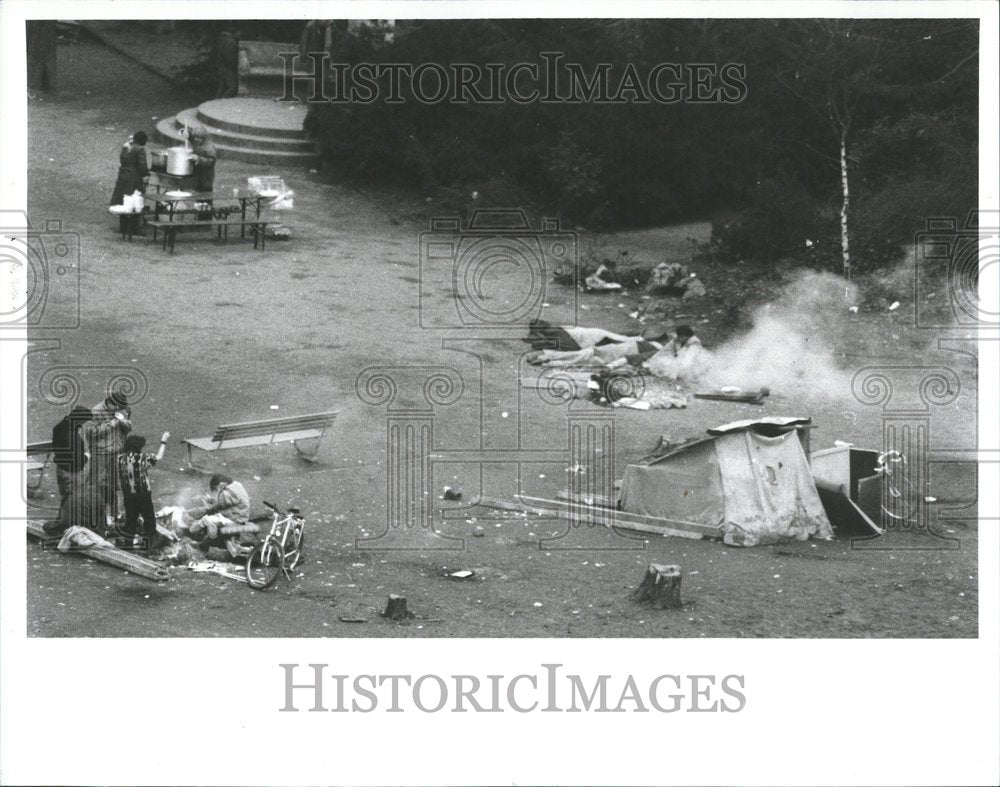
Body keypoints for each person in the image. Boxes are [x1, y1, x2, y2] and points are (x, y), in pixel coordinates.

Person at [85, 389, 132, 524]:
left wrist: (125, 423)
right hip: (100, 453)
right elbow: (90, 433)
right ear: (111, 403)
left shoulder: (122, 410)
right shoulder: (96, 412)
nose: (119, 409)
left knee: (113, 484)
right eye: (117, 407)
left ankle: (115, 513)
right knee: (95, 483)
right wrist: (112, 424)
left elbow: (128, 429)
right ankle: (92, 512)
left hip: (116, 452)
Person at [117, 431, 170, 546]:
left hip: (128, 496)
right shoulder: (143, 458)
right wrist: (163, 441)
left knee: (130, 521)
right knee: (149, 520)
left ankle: (128, 544)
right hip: (143, 495)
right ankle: (150, 544)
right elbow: (159, 457)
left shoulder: (120, 459)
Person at [189, 474, 258, 558]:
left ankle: (211, 542)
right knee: (221, 531)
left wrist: (209, 504)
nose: (217, 491)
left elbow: (218, 505)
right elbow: (227, 502)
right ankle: (233, 548)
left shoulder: (226, 492)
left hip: (235, 519)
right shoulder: (236, 485)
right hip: (239, 516)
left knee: (207, 520)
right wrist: (212, 500)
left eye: (216, 489)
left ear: (221, 484)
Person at [50, 406, 92, 505]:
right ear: (79, 421)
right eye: (83, 422)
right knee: (73, 501)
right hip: (71, 473)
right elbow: (77, 462)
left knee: (64, 499)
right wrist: (86, 456)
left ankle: (62, 519)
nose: (83, 424)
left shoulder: (59, 428)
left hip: (60, 468)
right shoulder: (74, 438)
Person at [643, 325, 710, 381]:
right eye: (680, 336)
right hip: (681, 363)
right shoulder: (676, 340)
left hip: (695, 367)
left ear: (688, 336)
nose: (681, 338)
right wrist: (652, 362)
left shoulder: (695, 343)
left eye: (683, 337)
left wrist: (675, 372)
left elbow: (687, 361)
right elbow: (665, 350)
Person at [187, 126, 217, 193]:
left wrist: (199, 159)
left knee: (205, 192)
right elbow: (191, 137)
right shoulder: (197, 140)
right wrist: (186, 133)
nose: (195, 139)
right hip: (198, 172)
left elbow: (212, 161)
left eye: (197, 138)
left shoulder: (209, 147)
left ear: (202, 138)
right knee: (198, 191)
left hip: (206, 175)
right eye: (195, 138)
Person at [215, 30, 240, 98]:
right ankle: (221, 104)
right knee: (233, 88)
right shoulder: (231, 42)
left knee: (221, 89)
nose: (240, 34)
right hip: (228, 69)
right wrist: (236, 67)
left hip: (222, 67)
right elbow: (230, 58)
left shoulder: (222, 40)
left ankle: (213, 105)